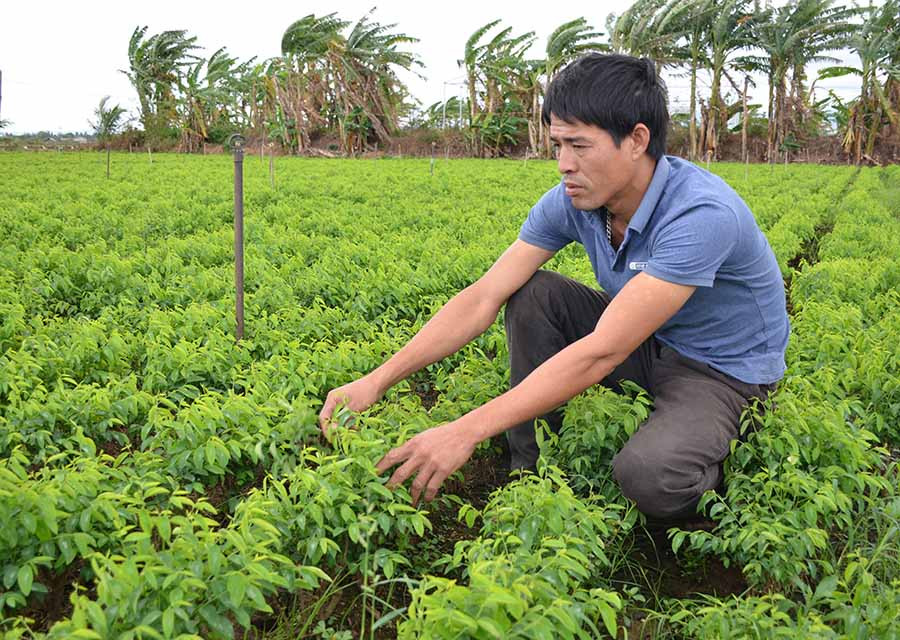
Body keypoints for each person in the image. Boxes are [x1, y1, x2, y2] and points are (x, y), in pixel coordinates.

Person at [318, 53, 789, 522]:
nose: (564, 164)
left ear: (637, 140)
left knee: (649, 474)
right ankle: (531, 474)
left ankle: (714, 483)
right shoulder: (575, 200)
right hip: (646, 342)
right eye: (557, 145)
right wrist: (375, 380)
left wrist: (463, 430)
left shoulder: (700, 215)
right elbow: (484, 296)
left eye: (579, 146)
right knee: (531, 293)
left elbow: (602, 351)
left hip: (717, 372)